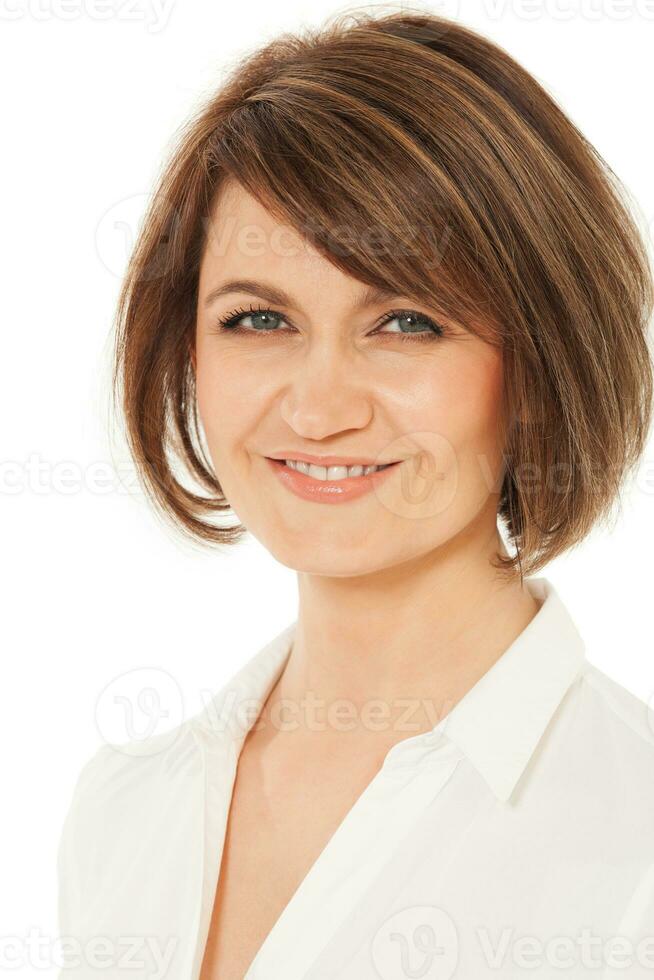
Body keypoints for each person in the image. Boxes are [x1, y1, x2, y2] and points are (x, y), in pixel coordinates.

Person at [57, 7, 654, 980]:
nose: (321, 406)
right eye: (258, 318)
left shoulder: (635, 848)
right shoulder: (123, 812)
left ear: (538, 362)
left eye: (407, 322)